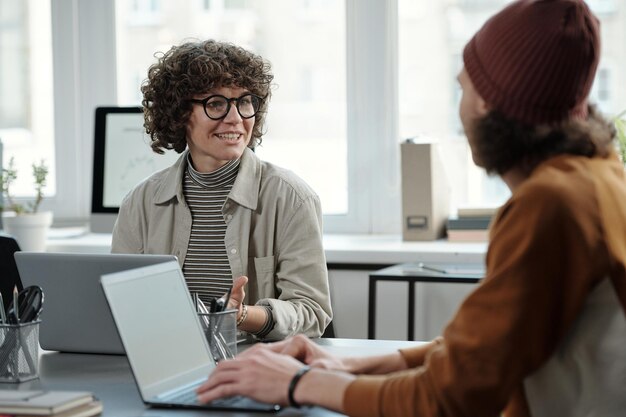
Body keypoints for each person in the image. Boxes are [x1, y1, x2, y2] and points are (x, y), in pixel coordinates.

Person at [196, 1, 626, 415]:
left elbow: (445, 399)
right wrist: (352, 364)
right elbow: (487, 349)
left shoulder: (550, 207)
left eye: (463, 87)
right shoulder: (600, 179)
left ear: (487, 102)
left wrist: (295, 384)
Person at [111, 40, 332, 341]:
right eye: (216, 104)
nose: (236, 118)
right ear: (179, 114)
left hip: (254, 367)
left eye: (245, 102)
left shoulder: (292, 198)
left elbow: (311, 312)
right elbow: (121, 306)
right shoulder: (140, 203)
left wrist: (242, 316)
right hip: (163, 359)